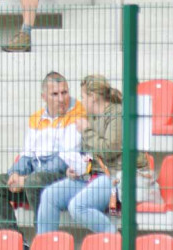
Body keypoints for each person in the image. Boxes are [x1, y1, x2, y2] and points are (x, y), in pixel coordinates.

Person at [37, 75, 151, 236]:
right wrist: (77, 168)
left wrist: (86, 131)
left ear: (93, 97)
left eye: (83, 97)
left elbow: (109, 151)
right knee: (50, 195)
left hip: (115, 177)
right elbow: (90, 153)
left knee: (78, 206)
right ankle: (45, 245)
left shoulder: (117, 115)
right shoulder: (91, 118)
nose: (81, 101)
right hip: (93, 177)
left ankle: (115, 240)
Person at [0, 72, 87, 230]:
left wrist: (27, 179)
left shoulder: (78, 114)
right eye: (55, 94)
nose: (61, 99)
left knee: (34, 182)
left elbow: (64, 160)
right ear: (44, 97)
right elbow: (27, 154)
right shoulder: (36, 118)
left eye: (64, 92)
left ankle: (43, 240)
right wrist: (14, 174)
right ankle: (14, 241)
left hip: (63, 179)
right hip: (33, 180)